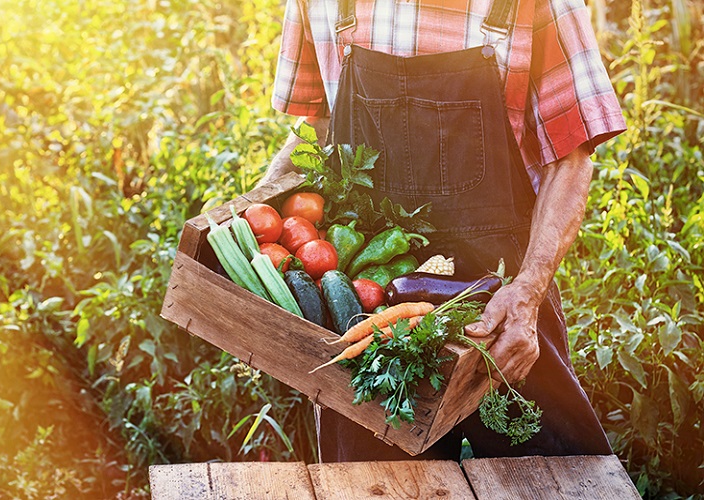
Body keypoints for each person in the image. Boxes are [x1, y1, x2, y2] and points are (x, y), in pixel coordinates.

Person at [262, 0, 626, 462]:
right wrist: (257, 213)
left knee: (558, 472)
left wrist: (528, 294)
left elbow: (570, 161)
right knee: (371, 486)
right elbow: (316, 126)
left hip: (499, 303)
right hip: (369, 310)